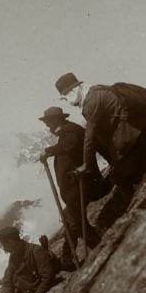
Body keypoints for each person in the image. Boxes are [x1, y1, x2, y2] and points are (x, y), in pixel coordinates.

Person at [38, 106, 110, 269]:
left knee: (76, 221)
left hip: (79, 185)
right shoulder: (67, 131)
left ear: (57, 119)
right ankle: (69, 257)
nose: (47, 125)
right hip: (74, 186)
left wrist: (48, 151)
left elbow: (68, 145)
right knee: (72, 219)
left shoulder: (70, 131)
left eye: (48, 121)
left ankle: (100, 247)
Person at [55, 72, 146, 191]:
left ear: (74, 91)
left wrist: (86, 164)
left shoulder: (90, 103)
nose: (69, 102)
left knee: (119, 176)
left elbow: (90, 137)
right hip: (134, 124)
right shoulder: (95, 90)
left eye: (67, 97)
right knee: (123, 170)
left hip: (133, 129)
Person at [0, 226, 56, 293]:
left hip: (37, 292)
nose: (4, 249)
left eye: (5, 244)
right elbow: (7, 279)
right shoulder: (14, 256)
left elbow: (48, 277)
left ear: (11, 241)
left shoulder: (36, 251)